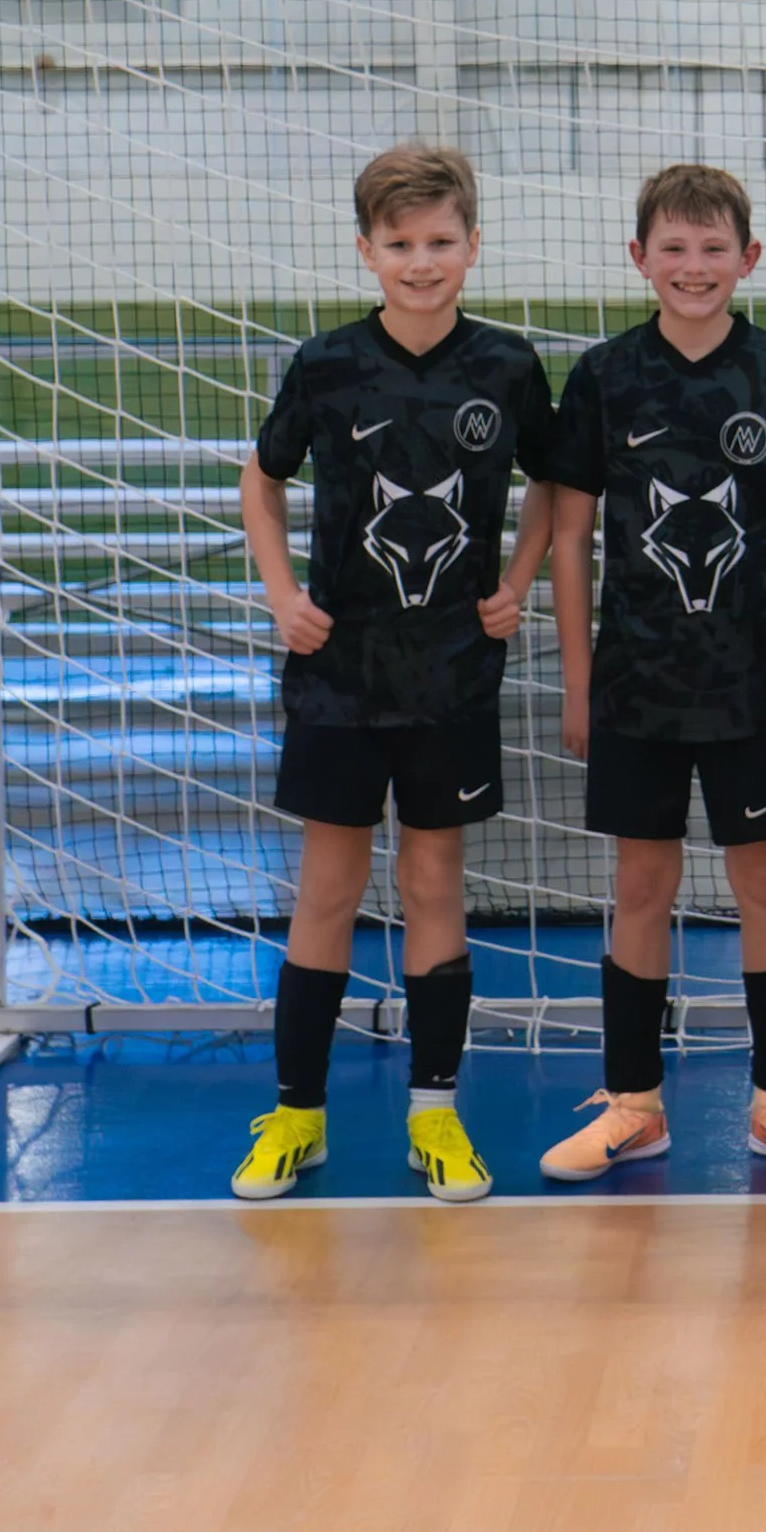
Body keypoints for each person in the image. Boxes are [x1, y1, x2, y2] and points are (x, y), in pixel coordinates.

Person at [234, 143, 555, 1203]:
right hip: (339, 679)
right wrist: (284, 596)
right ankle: (296, 1117)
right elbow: (263, 480)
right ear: (366, 250)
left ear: (473, 245)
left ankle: (436, 1115)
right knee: (326, 890)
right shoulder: (327, 364)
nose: (422, 263)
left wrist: (517, 580)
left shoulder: (506, 366)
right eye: (401, 244)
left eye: (441, 242)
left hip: (451, 677)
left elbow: (551, 484)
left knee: (432, 887)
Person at [538, 162, 766, 1185]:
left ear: (747, 259)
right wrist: (578, 682)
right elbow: (570, 536)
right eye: (672, 249)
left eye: (714, 248)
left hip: (754, 686)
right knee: (640, 885)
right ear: (639, 261)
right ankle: (634, 1103)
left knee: (764, 885)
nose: (693, 266)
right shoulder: (602, 377)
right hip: (634, 687)